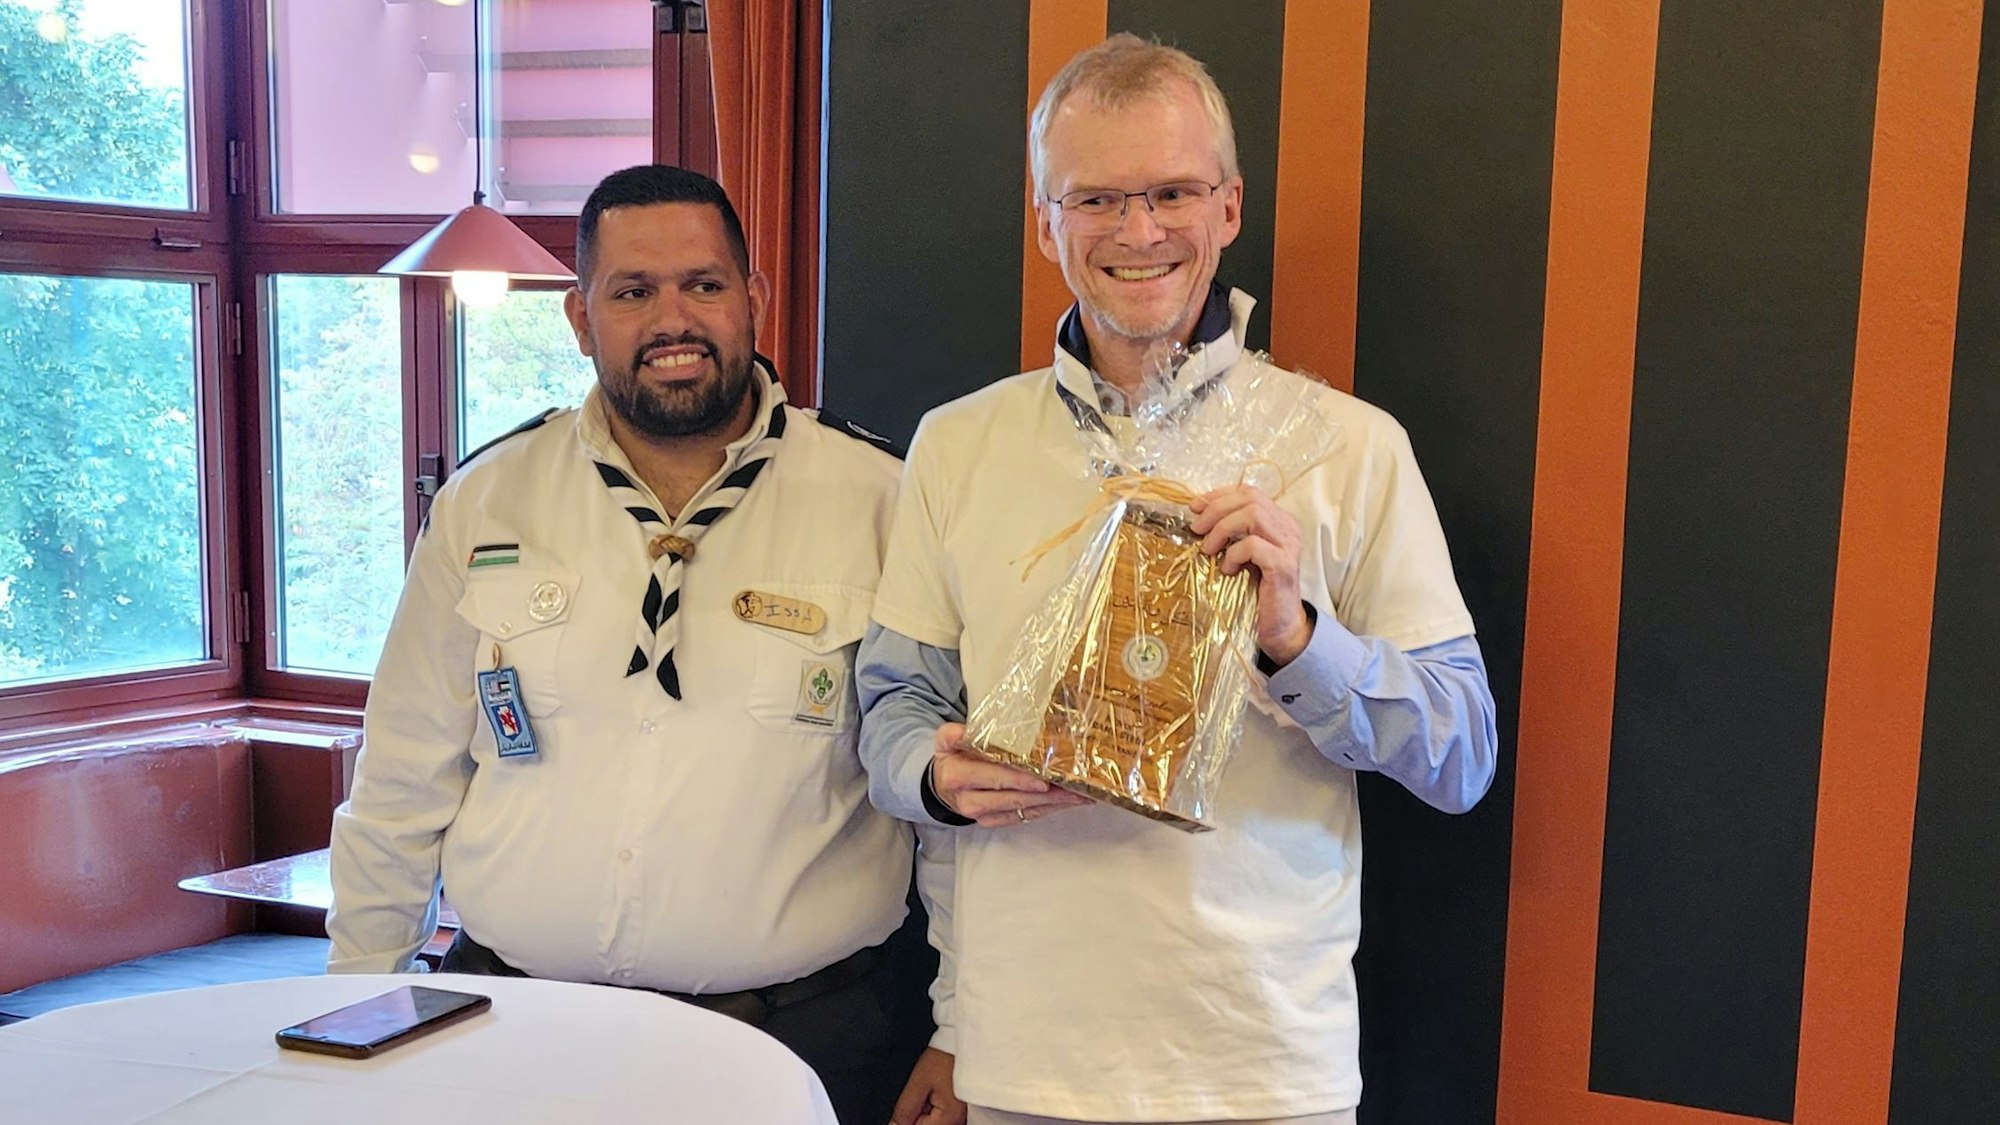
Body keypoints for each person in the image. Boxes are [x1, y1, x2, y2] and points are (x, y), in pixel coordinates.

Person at [857, 36, 1498, 1125]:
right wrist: (931, 774)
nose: (1138, 231)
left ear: (1230, 206)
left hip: (1257, 1070)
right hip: (1025, 1063)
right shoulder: (956, 446)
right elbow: (892, 712)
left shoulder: (1347, 447)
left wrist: (1297, 640)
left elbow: (1460, 753)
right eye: (1094, 197)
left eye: (1171, 192)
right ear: (1043, 216)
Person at [327, 164, 961, 1125]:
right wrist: (350, 1007)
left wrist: (962, 1023)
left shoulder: (883, 499)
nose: (674, 319)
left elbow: (941, 796)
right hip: (513, 1038)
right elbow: (400, 785)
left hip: (805, 1046)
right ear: (581, 320)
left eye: (704, 285)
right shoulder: (483, 501)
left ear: (752, 300)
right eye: (633, 292)